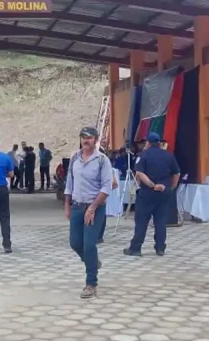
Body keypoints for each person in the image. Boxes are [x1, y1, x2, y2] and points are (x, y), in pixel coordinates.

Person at [65, 126, 113, 299]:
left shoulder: (102, 160)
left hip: (95, 208)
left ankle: (91, 283)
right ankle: (92, 261)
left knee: (90, 244)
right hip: (77, 206)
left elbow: (107, 187)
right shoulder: (75, 159)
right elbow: (70, 182)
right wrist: (67, 205)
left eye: (90, 137)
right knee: (75, 243)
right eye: (83, 137)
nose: (86, 140)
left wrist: (92, 208)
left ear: (95, 140)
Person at [124, 133, 180, 257]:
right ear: (159, 143)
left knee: (142, 221)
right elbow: (176, 174)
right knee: (160, 221)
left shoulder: (143, 156)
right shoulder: (168, 156)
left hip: (147, 193)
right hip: (164, 193)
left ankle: (136, 248)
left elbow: (139, 173)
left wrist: (152, 185)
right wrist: (171, 187)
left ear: (148, 143)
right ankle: (160, 248)